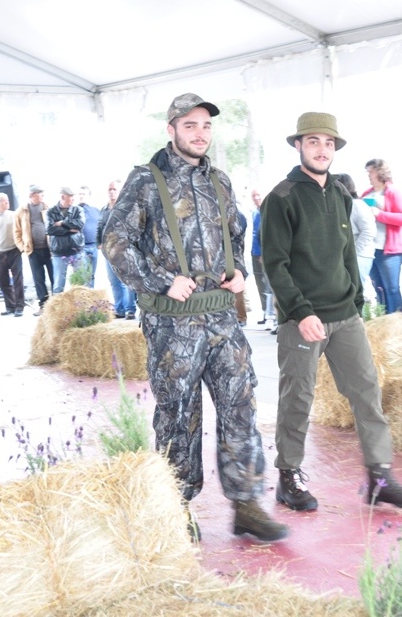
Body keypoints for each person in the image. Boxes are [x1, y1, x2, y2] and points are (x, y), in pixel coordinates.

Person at [102, 93, 286, 543]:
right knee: (178, 415)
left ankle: (246, 504)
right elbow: (115, 242)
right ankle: (175, 506)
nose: (200, 134)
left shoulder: (219, 180)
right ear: (171, 130)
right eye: (190, 126)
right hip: (173, 325)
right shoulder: (146, 181)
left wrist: (238, 271)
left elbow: (236, 233)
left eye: (206, 126)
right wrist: (162, 280)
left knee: (240, 405)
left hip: (222, 318)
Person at [261, 111, 402, 513]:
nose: (322, 149)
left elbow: (348, 251)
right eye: (314, 141)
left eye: (329, 143)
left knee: (367, 393)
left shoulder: (339, 193)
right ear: (299, 145)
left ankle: (379, 478)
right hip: (303, 320)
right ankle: (288, 477)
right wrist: (300, 312)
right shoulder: (281, 198)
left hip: (345, 315)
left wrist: (355, 301)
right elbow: (275, 264)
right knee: (297, 398)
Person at [361, 159, 402, 313]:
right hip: (370, 249)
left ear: (380, 171)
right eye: (367, 172)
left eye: (371, 171)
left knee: (392, 289)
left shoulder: (393, 192)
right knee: (379, 288)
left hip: (389, 250)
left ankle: (396, 322)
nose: (369, 175)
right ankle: (383, 321)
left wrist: (379, 214)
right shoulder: (366, 194)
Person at [337, 173, 376, 311]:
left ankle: (363, 317)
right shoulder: (345, 204)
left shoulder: (357, 205)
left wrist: (354, 252)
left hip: (361, 255)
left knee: (358, 291)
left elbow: (369, 231)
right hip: (354, 255)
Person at [98, 179, 136, 320]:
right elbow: (100, 226)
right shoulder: (104, 209)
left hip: (124, 250)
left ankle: (130, 309)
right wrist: (98, 242)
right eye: (110, 189)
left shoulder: (128, 207)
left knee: (128, 280)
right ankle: (119, 309)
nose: (112, 192)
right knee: (114, 281)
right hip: (108, 251)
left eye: (115, 189)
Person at [0, 193, 25, 317]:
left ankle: (19, 306)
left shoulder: (14, 215)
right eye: (3, 200)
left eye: (7, 200)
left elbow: (21, 231)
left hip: (14, 251)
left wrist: (21, 247)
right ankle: (10, 306)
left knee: (18, 279)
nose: (7, 202)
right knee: (3, 281)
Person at [14, 184, 53, 314]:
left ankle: (56, 306)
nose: (42, 196)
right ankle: (43, 306)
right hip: (33, 250)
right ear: (32, 195)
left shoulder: (48, 208)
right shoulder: (21, 211)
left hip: (49, 249)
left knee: (54, 277)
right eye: (40, 193)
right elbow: (17, 232)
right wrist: (23, 248)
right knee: (38, 279)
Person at [47, 187, 86, 294]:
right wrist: (70, 229)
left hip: (76, 250)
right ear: (63, 197)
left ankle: (80, 304)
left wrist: (62, 223)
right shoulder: (51, 211)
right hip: (59, 252)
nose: (73, 199)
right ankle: (57, 305)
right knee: (58, 285)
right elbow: (50, 229)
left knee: (81, 284)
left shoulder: (78, 210)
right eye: (70, 197)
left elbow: (80, 225)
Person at [249, 188, 278, 330]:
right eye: (254, 196)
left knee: (270, 286)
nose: (256, 198)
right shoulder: (255, 213)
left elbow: (265, 234)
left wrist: (263, 254)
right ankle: (265, 313)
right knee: (261, 285)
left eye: (258, 195)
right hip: (255, 252)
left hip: (265, 254)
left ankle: (272, 317)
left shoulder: (270, 211)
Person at [78, 186, 100, 288]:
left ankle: (90, 294)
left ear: (89, 196)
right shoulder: (74, 210)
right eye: (80, 194)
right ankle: (82, 295)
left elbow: (101, 226)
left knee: (91, 274)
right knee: (83, 275)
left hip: (94, 246)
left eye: (84, 194)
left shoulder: (96, 211)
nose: (81, 196)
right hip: (81, 248)